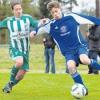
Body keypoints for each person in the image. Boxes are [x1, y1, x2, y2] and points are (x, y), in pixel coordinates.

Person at [32, 1, 100, 96]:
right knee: (70, 66)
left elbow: (88, 18)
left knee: (84, 59)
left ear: (60, 9)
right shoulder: (50, 25)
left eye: (56, 11)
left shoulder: (71, 16)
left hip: (79, 46)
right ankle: (82, 87)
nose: (55, 14)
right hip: (68, 52)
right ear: (51, 14)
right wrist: (35, 30)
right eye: (53, 13)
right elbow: (37, 30)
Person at [0, 0, 38, 93]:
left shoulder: (28, 18)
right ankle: (10, 82)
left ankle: (9, 85)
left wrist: (37, 28)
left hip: (25, 50)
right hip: (14, 48)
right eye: (16, 9)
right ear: (13, 10)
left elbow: (37, 25)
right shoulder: (8, 21)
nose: (19, 11)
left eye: (20, 9)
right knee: (19, 62)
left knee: (21, 75)